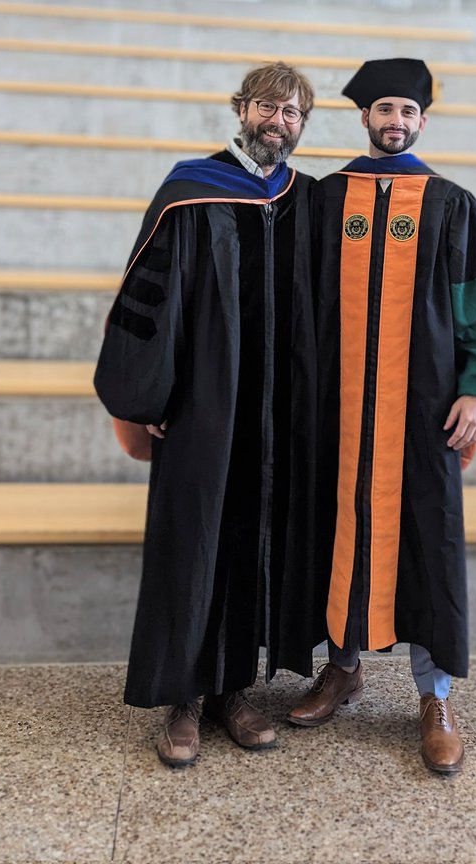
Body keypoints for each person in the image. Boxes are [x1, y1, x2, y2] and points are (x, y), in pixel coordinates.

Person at [288, 57, 476, 774]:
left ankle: (435, 695)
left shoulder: (451, 202)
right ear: (362, 117)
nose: (395, 121)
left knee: (428, 542)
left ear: (423, 121)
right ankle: (342, 668)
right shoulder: (324, 199)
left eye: (407, 111)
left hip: (421, 410)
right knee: (339, 533)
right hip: (334, 409)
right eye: (384, 109)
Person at [94, 62, 330, 768]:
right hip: (202, 408)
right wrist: (150, 399)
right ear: (240, 108)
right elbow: (147, 301)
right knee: (190, 540)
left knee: (253, 545)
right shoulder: (188, 191)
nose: (278, 122)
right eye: (268, 107)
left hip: (276, 417)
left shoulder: (306, 200)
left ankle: (232, 691)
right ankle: (182, 699)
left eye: (293, 114)